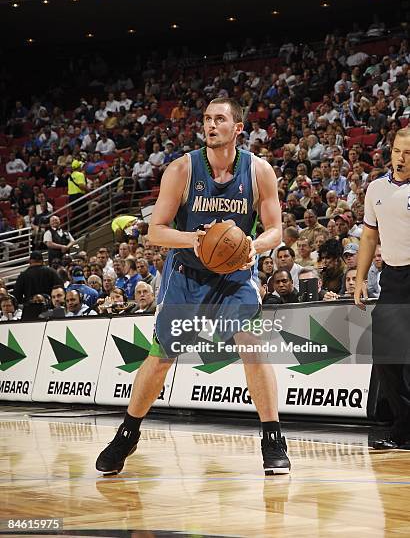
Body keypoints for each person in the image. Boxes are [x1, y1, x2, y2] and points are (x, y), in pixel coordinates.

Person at [96, 97, 290, 476]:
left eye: (220, 119)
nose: (210, 125)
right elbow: (156, 230)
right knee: (163, 356)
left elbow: (275, 230)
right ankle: (128, 432)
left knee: (251, 346)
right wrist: (195, 240)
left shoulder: (259, 171)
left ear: (238, 128)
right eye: (206, 119)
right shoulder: (182, 169)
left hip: (234, 276)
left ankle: (273, 437)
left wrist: (254, 245)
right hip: (186, 275)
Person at [355, 127, 410, 450]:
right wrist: (361, 278)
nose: (401, 159)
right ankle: (403, 426)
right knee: (386, 355)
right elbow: (369, 236)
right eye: (396, 151)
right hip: (391, 276)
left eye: (408, 153)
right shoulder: (376, 188)